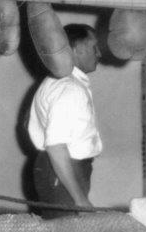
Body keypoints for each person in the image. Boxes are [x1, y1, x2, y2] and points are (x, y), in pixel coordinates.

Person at [27, 24, 103, 218]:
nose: (99, 53)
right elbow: (55, 147)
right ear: (76, 49)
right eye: (94, 47)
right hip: (63, 170)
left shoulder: (57, 82)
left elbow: (27, 123)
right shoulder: (69, 89)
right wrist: (80, 200)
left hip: (59, 170)